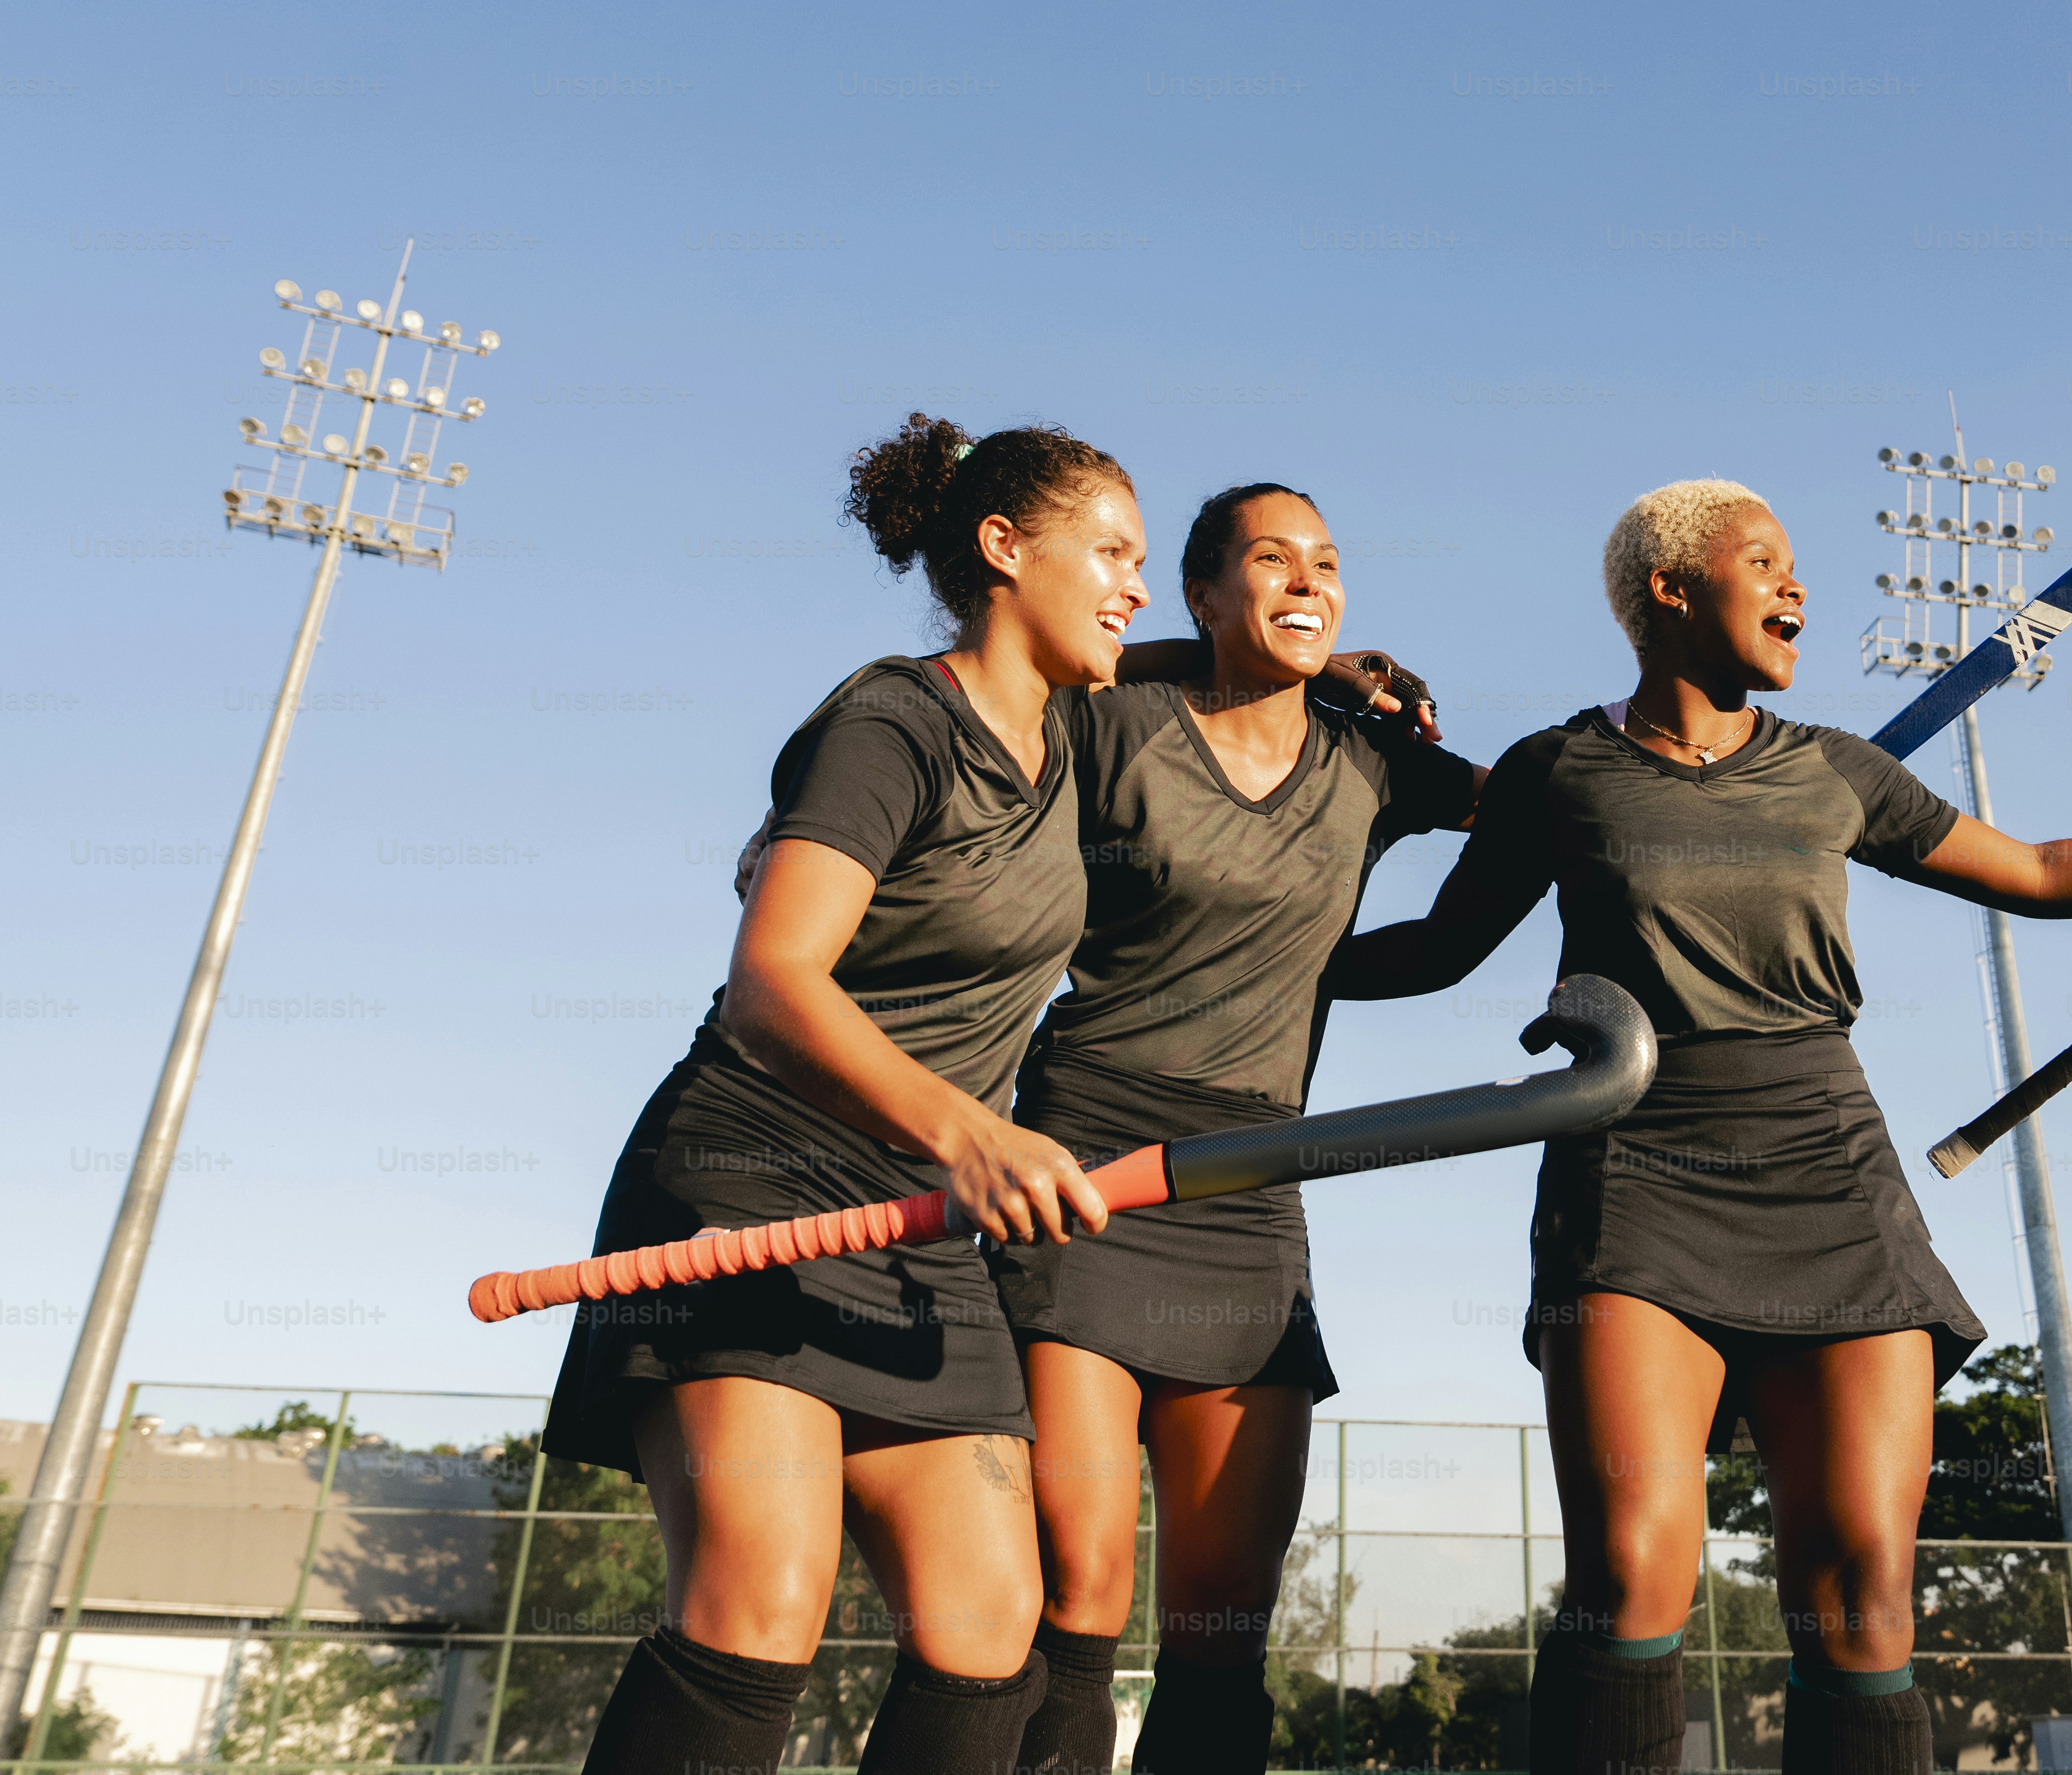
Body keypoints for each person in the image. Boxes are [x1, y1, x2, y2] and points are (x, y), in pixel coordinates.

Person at [1325, 479, 2072, 1775]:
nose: (1798, 589)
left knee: (1861, 1595)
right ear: (1671, 591)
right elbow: (1442, 950)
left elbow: (2045, 872)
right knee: (1631, 1576)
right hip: (1633, 1175)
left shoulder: (1837, 767)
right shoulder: (1559, 771)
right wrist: (1267, 949)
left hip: (1830, 1171)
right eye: (1765, 563)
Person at [540, 414, 1145, 1775]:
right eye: (1110, 550)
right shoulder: (891, 722)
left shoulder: (1072, 739)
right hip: (750, 1182)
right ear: (1003, 547)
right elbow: (773, 982)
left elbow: (1136, 654)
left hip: (920, 1235)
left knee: (994, 1630)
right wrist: (969, 1131)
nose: (1137, 584)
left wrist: (1294, 661)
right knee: (762, 1606)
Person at [993, 484, 1481, 1773]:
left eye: (1327, 562)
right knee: (1077, 1596)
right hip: (1083, 1169)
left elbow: (1554, 808)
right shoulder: (1119, 721)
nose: (1308, 580)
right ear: (1200, 592)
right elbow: (1012, 669)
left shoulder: (1376, 761)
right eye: (1269, 563)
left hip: (1252, 1180)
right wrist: (1209, 656)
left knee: (1221, 1630)